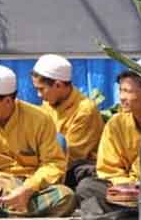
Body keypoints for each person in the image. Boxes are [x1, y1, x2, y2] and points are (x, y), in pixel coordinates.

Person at [0, 64, 76, 217]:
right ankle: (7, 212)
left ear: (7, 101)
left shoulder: (39, 120)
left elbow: (54, 164)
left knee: (66, 197)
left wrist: (28, 189)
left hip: (25, 188)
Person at [75, 66, 141, 217]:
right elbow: (108, 168)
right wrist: (126, 186)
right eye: (120, 90)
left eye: (127, 91)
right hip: (123, 190)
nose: (121, 97)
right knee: (86, 187)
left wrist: (139, 186)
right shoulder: (116, 123)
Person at [32, 54, 104, 188]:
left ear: (58, 85)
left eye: (41, 89)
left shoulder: (85, 110)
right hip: (47, 165)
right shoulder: (48, 104)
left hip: (74, 170)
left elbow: (70, 155)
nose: (39, 95)